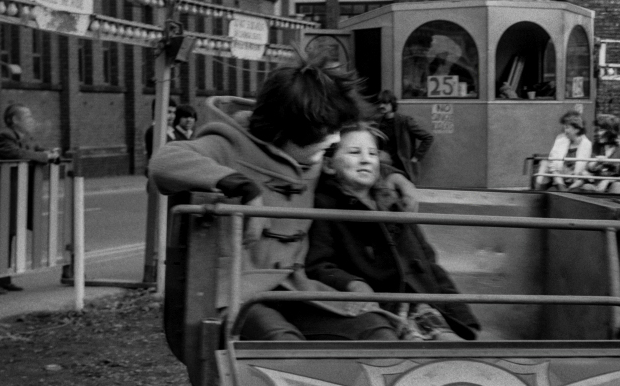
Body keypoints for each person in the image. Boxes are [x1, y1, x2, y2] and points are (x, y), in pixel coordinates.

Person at [149, 51, 419, 342]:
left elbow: (344, 161)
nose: (334, 141)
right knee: (279, 344)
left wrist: (390, 174)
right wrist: (241, 186)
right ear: (287, 133)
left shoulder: (311, 151)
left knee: (375, 329)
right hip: (236, 292)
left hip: (295, 286)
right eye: (325, 137)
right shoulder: (228, 144)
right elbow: (165, 162)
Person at [306, 123, 480, 341]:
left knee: (453, 347)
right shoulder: (325, 206)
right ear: (329, 165)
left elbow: (429, 264)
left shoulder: (394, 205)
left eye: (372, 153)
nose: (366, 159)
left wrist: (461, 315)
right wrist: (350, 283)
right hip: (382, 307)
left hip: (424, 304)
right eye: (354, 152)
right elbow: (318, 265)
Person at [0, 104, 59, 294]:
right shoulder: (5, 136)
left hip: (14, 194)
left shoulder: (26, 138)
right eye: (27, 116)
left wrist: (52, 153)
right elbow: (18, 154)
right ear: (14, 120)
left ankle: (4, 278)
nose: (32, 119)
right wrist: (44, 156)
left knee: (8, 234)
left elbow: (37, 150)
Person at [375, 90, 434, 182]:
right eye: (380, 103)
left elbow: (428, 137)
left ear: (392, 103)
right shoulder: (378, 122)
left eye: (385, 103)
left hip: (401, 167)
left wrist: (416, 158)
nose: (381, 106)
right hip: (383, 166)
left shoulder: (404, 121)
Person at [534, 110, 592, 191]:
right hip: (559, 181)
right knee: (552, 192)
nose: (565, 131)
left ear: (577, 129)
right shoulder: (560, 139)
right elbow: (553, 165)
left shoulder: (587, 144)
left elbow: (584, 171)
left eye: (567, 128)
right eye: (564, 127)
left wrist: (572, 187)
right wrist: (561, 185)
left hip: (576, 184)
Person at [584, 114, 620, 194]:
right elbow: (589, 169)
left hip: (617, 186)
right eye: (597, 130)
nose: (598, 133)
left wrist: (608, 181)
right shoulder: (597, 146)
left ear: (611, 132)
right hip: (597, 184)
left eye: (601, 130)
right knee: (586, 188)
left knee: (617, 186)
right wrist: (595, 163)